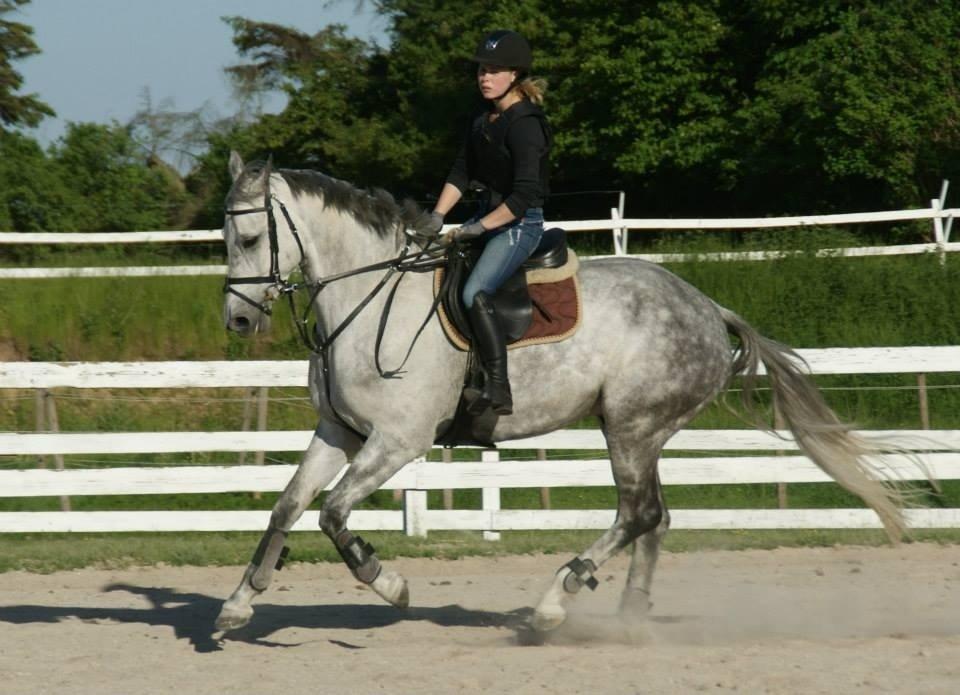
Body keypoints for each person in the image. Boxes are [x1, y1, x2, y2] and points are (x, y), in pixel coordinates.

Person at [427, 29, 552, 416]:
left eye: (494, 70)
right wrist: (436, 217)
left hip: (520, 225)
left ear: (514, 75)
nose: (484, 76)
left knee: (472, 292)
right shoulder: (483, 120)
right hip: (488, 217)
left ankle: (499, 387)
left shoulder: (526, 125)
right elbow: (461, 172)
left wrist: (478, 228)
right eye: (482, 69)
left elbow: (522, 196)